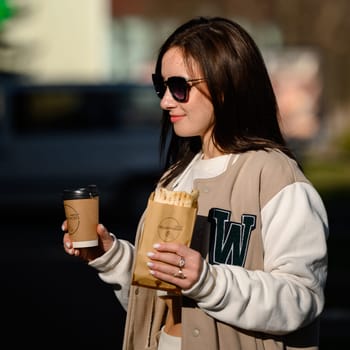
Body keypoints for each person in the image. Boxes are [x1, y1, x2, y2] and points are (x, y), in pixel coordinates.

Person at [62, 16, 329, 350]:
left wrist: (207, 281)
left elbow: (301, 300)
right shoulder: (175, 178)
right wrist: (111, 256)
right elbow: (155, 303)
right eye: (160, 86)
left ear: (226, 83)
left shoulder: (276, 178)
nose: (165, 102)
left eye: (179, 87)